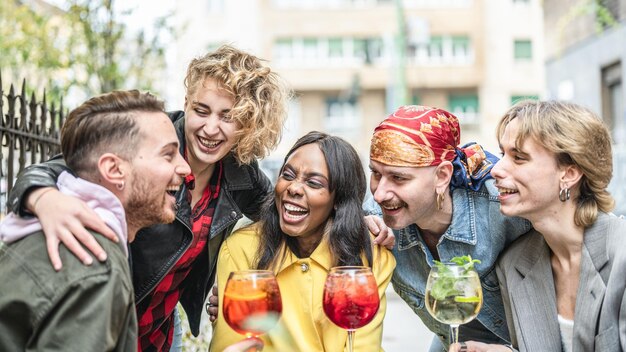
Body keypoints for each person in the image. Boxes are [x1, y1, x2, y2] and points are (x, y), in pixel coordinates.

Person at [5, 45, 290, 351]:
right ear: (187, 104)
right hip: (111, 314)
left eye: (227, 116)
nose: (210, 128)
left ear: (247, 123)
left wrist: (242, 283)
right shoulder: (151, 137)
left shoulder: (240, 174)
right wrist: (45, 198)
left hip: (161, 326)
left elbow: (280, 222)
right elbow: (47, 171)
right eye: (201, 110)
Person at [0, 90, 191, 351]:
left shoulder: (36, 231)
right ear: (113, 170)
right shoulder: (95, 266)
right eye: (168, 155)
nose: (185, 168)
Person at [449, 100, 626, 352]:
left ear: (569, 174)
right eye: (502, 155)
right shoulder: (513, 265)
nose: (496, 169)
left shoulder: (621, 255)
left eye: (519, 158)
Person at [363, 105, 532, 351]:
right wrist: (355, 232)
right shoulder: (376, 219)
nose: (379, 193)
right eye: (375, 174)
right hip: (453, 343)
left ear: (442, 176)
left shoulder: (504, 208)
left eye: (399, 178)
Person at [210, 131, 396, 352]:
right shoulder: (242, 249)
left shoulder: (370, 256)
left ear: (339, 200)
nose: (294, 188)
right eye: (287, 175)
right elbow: (231, 346)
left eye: (314, 183)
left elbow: (363, 348)